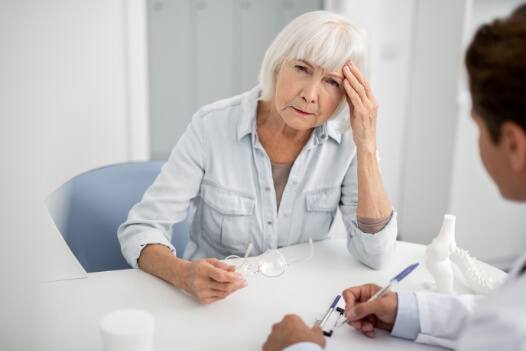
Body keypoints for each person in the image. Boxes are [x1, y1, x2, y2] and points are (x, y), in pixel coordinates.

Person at [263, 2, 526, 350]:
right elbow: (511, 307)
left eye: (477, 127)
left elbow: (513, 324)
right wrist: (408, 310)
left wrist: (297, 347)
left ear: (514, 145)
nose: (311, 93)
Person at [118, 11, 397, 304]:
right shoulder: (211, 126)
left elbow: (375, 254)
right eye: (302, 68)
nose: (311, 95)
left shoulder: (349, 145)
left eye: (332, 82)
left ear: (347, 95)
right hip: (215, 305)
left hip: (298, 302)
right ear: (277, 66)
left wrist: (367, 146)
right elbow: (141, 228)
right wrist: (183, 273)